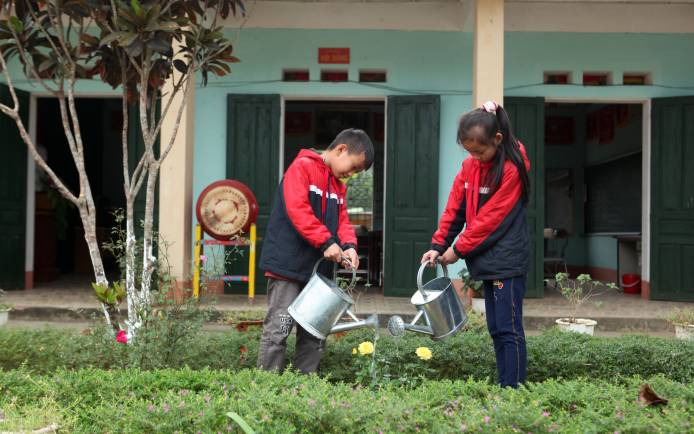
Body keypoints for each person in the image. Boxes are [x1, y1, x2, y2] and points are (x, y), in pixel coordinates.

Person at [421, 100, 531, 388]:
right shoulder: (470, 167)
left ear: (498, 139)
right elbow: (455, 208)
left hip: (507, 261)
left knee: (508, 329)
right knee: (496, 329)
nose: (476, 157)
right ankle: (505, 386)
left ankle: (513, 391)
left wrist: (457, 250)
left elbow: (490, 219)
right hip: (486, 259)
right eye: (470, 151)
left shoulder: (512, 169)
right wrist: (438, 243)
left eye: (480, 151)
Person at [258, 128, 374, 374]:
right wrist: (326, 242)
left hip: (318, 275)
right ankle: (267, 388)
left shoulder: (337, 186)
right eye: (352, 167)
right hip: (287, 268)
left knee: (314, 331)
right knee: (279, 328)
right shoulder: (301, 167)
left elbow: (342, 220)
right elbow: (298, 209)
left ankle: (306, 389)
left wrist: (349, 246)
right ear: (341, 149)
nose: (350, 174)